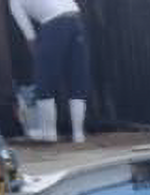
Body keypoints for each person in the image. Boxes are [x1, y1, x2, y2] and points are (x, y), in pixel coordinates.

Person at [9, 0, 90, 143]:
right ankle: (78, 134)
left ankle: (48, 132)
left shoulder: (14, 2)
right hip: (76, 20)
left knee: (44, 80)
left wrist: (39, 55)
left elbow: (29, 34)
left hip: (53, 25)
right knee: (77, 77)